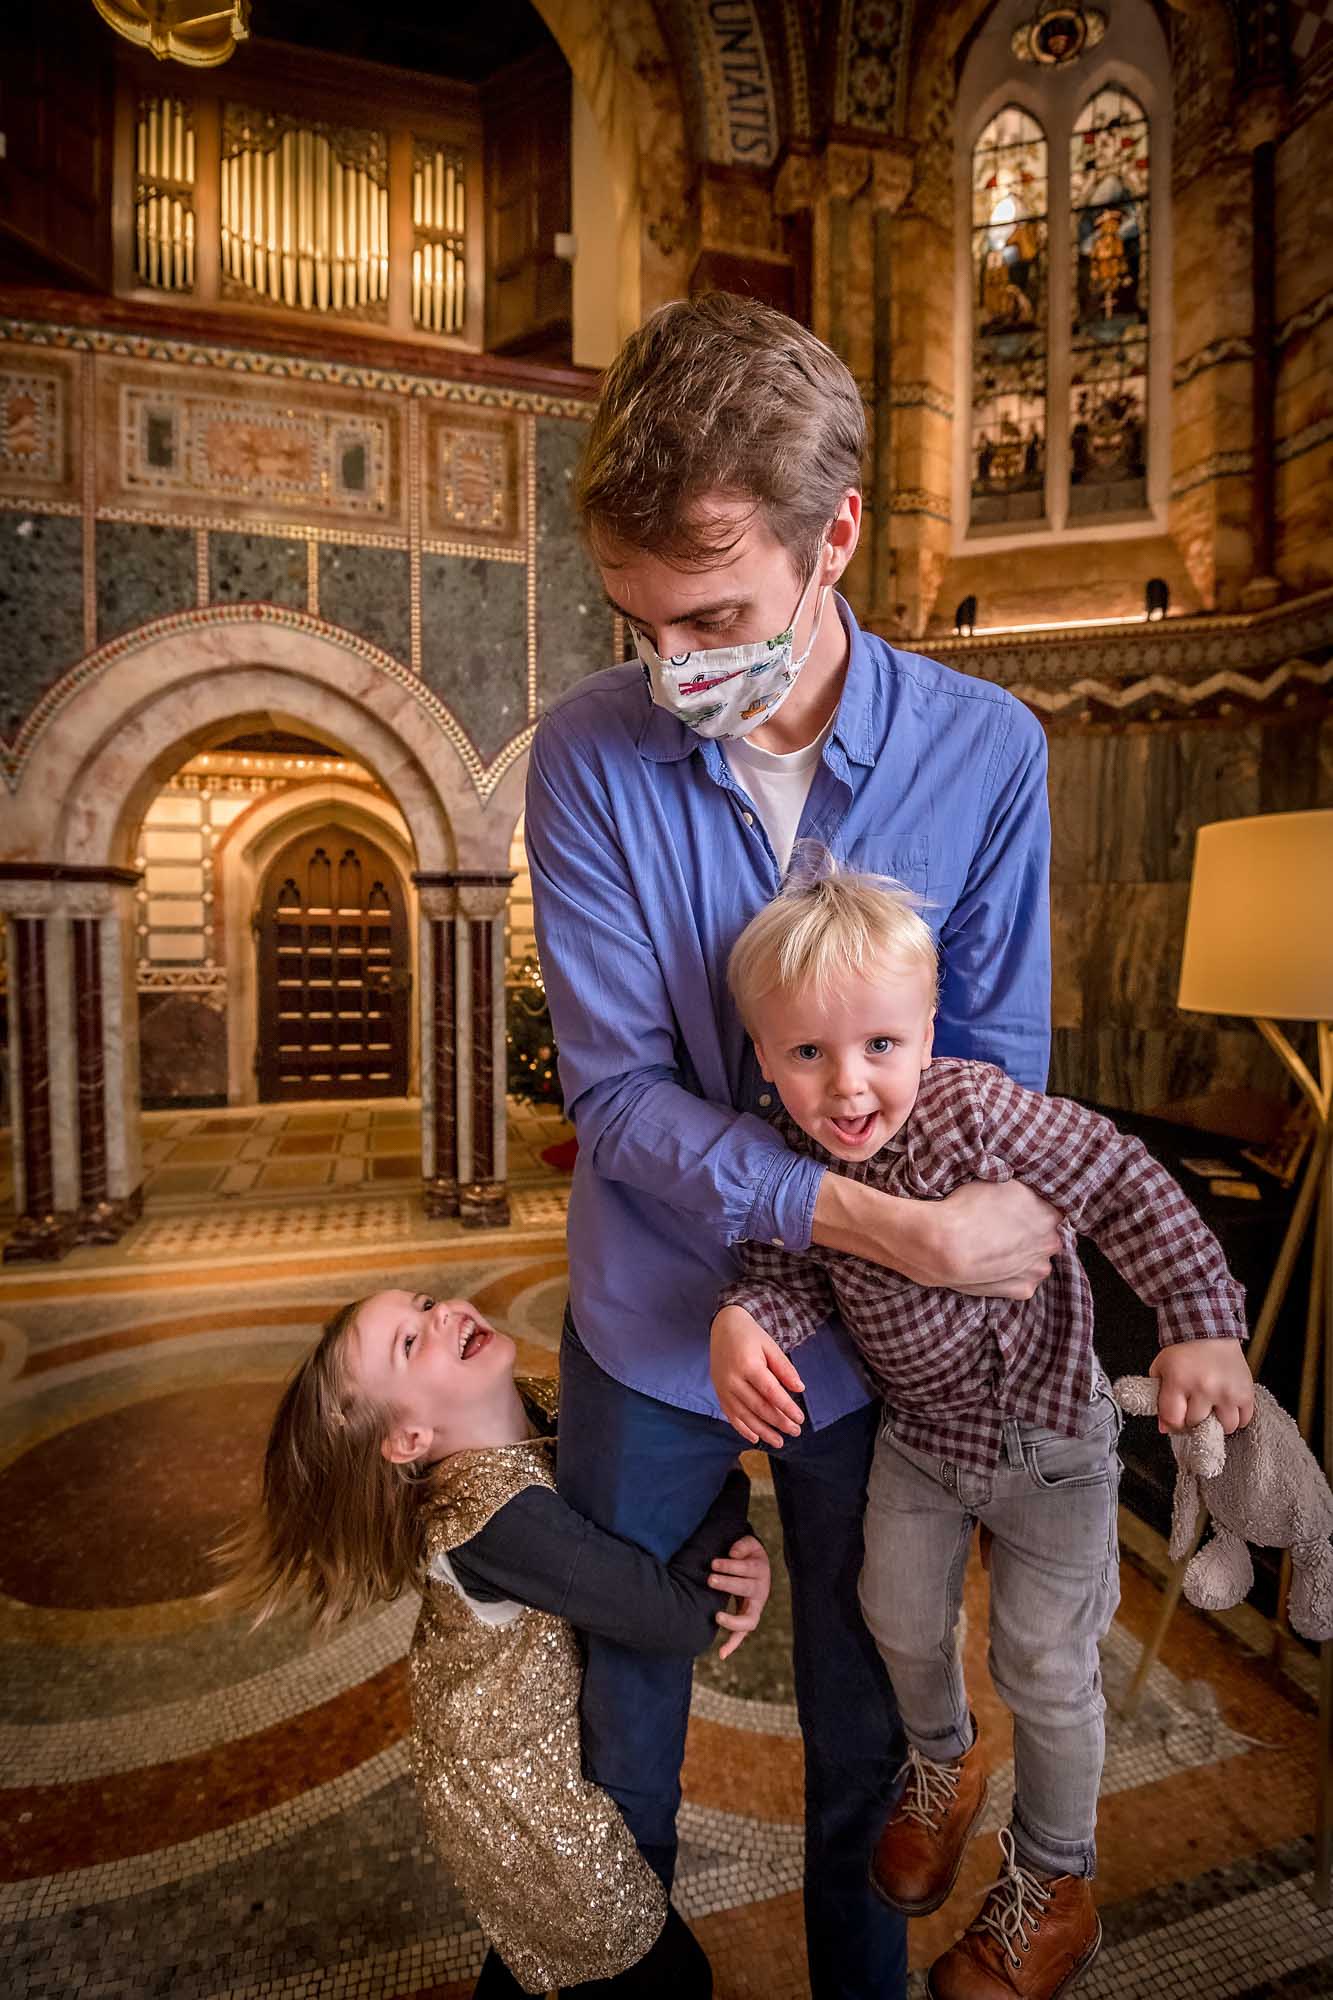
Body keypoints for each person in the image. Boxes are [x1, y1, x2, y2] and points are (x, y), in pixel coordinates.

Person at [525, 290, 1064, 2000]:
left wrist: (867, 1281)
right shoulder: (587, 759)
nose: (671, 668)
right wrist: (865, 1226)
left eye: (713, 615)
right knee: (615, 1754)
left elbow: (991, 1075)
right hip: (643, 1333)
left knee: (875, 1739)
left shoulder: (986, 753)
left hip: (879, 1363)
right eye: (635, 621)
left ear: (833, 535)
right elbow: (614, 1098)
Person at [710, 856, 1254, 2000]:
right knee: (893, 1614)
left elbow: (1121, 1179)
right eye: (807, 1052)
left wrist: (1200, 1322)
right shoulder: (790, 1154)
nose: (847, 1086)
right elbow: (783, 1267)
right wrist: (743, 1318)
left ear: (925, 1026)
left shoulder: (980, 1108)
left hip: (1053, 1443)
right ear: (763, 1054)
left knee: (1045, 1666)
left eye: (877, 1046)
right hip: (919, 1440)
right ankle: (943, 1764)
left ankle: (1055, 1884)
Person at [218, 1288, 770, 1999]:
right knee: (661, 1977)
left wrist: (736, 1545)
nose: (442, 1313)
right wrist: (729, 1496)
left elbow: (657, 1510)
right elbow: (673, 1618)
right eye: (410, 1344)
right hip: (528, 1802)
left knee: (541, 1961)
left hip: (534, 1766)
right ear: (408, 1440)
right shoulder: (490, 1520)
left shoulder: (541, 1403)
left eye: (423, 1303)